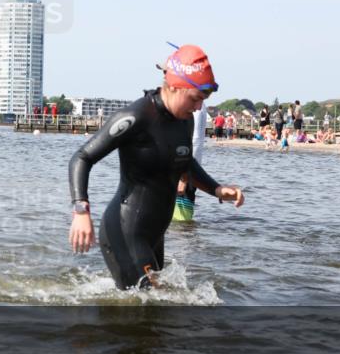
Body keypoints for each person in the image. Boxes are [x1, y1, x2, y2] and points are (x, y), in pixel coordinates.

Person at [68, 44, 245, 290]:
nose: (197, 108)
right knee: (148, 311)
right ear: (173, 86)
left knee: (153, 312)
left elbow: (184, 162)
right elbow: (82, 157)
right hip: (124, 230)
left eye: (202, 101)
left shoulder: (186, 121)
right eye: (195, 99)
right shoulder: (137, 117)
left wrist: (216, 189)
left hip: (154, 235)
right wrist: (80, 210)